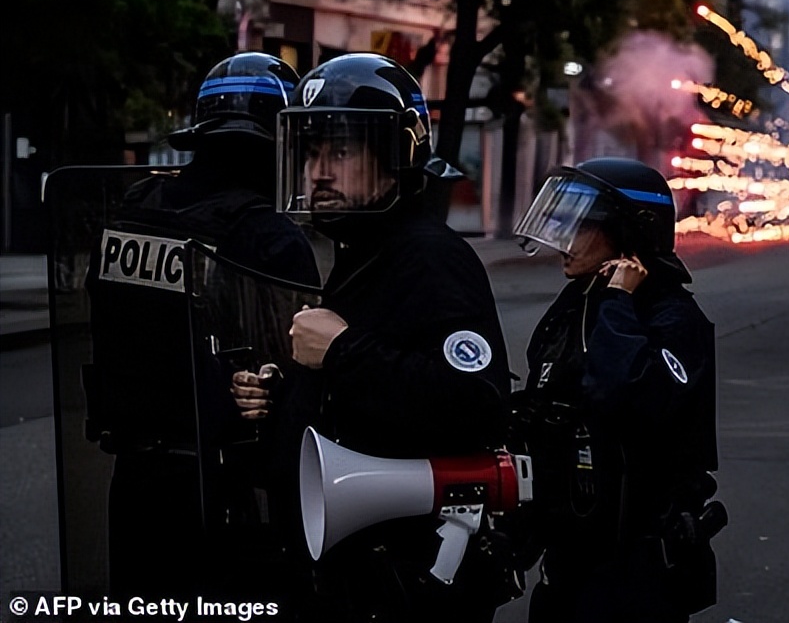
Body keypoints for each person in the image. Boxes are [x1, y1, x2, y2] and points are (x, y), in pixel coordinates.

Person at [261, 52, 514, 623]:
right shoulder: (364, 252)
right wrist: (282, 394)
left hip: (404, 579)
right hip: (358, 571)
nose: (318, 171)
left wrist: (342, 351)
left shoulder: (429, 258)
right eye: (312, 153)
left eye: (342, 152)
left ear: (396, 157)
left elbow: (476, 402)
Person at [83, 52, 320, 598]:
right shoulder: (270, 237)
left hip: (136, 487)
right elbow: (297, 381)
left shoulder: (135, 210)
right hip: (228, 494)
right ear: (281, 140)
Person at [510, 157, 725, 623]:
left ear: (632, 233)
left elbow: (624, 393)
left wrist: (618, 300)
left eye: (582, 226)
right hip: (568, 554)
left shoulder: (670, 317)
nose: (565, 241)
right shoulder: (575, 305)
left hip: (634, 569)